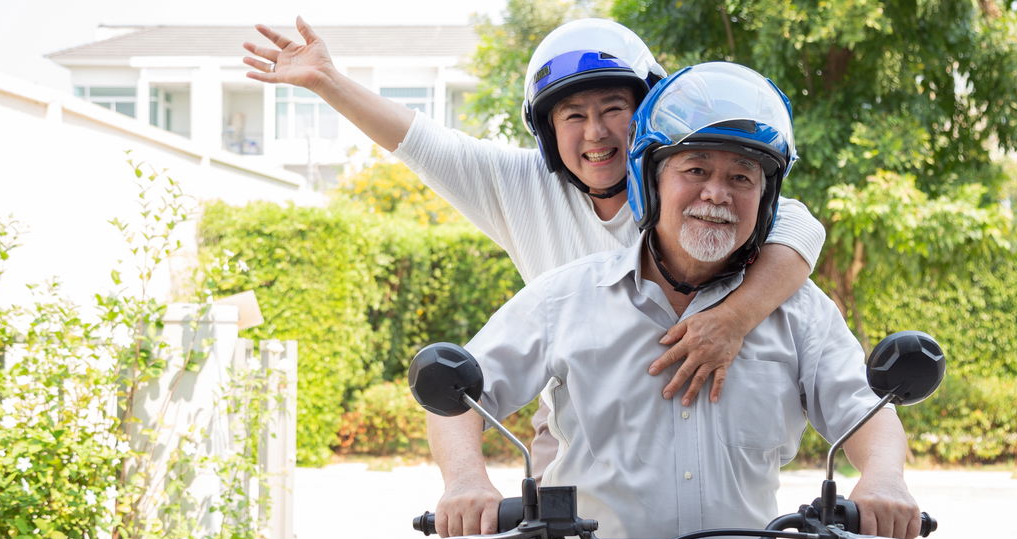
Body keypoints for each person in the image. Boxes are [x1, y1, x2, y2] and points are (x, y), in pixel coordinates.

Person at [426, 62, 920, 539]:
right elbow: (461, 392)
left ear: (766, 198)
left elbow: (865, 410)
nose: (718, 193)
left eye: (741, 177)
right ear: (649, 178)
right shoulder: (567, 297)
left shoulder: (799, 310)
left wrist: (884, 479)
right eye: (696, 170)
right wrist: (466, 481)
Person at [243, 18, 826, 475]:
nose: (595, 132)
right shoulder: (521, 185)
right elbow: (418, 140)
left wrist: (732, 320)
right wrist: (326, 81)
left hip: (708, 410)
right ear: (548, 133)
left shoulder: (691, 186)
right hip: (581, 426)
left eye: (614, 110)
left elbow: (800, 229)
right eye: (573, 115)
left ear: (648, 116)